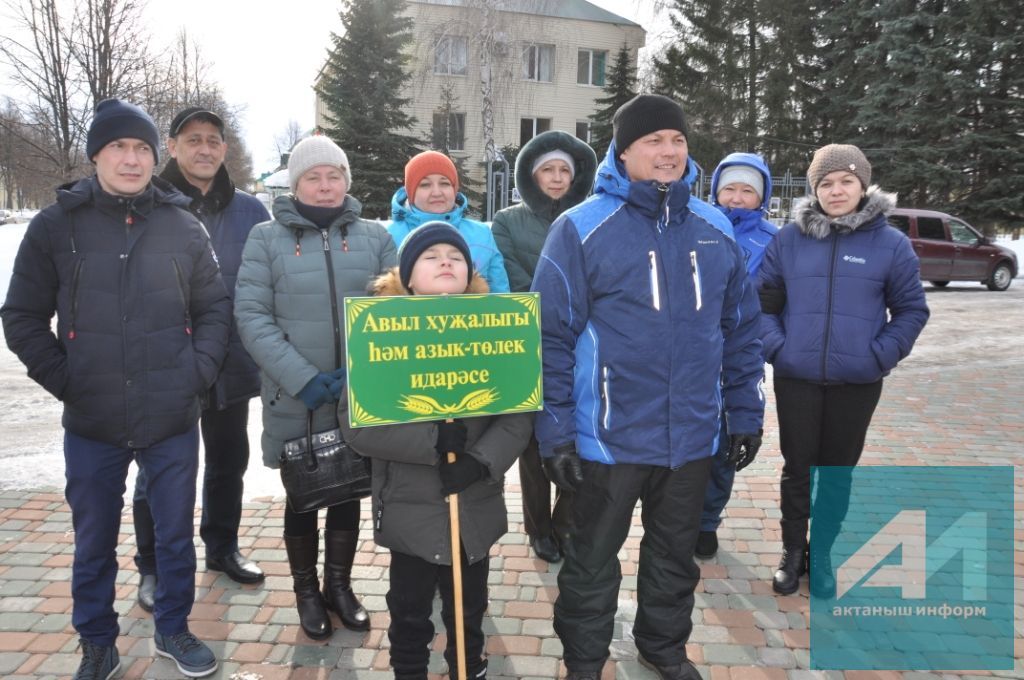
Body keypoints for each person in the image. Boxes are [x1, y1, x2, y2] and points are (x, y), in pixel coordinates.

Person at [531, 94, 765, 680]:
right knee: (589, 563)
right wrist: (555, 433)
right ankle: (584, 661)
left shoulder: (715, 229)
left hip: (690, 436)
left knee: (674, 560)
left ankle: (662, 648)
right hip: (606, 438)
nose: (668, 152)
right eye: (654, 141)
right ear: (625, 150)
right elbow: (549, 338)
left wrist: (743, 410)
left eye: (677, 141)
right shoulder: (581, 229)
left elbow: (740, 332)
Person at [1, 98, 230, 679]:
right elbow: (22, 316)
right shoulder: (57, 226)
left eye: (142, 149)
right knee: (93, 539)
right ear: (96, 154)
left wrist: (193, 375)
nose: (132, 159)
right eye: (119, 148)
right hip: (93, 421)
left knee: (176, 536)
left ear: (156, 157)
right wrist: (68, 380)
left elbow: (214, 311)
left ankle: (173, 630)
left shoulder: (182, 225)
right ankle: (97, 641)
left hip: (172, 417)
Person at [339, 221, 533, 680]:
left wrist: (480, 461)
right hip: (410, 509)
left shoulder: (497, 326)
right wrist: (431, 443)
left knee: (468, 612)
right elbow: (358, 424)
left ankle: (470, 668)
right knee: (409, 613)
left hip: (473, 506)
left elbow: (518, 415)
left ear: (470, 272)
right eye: (431, 256)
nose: (445, 261)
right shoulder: (376, 330)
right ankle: (409, 670)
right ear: (407, 276)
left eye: (456, 256)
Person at [234, 135, 396, 640]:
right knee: (302, 496)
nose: (324, 187)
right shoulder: (266, 238)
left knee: (349, 490)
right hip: (294, 399)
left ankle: (339, 587)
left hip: (356, 395)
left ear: (346, 180)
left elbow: (393, 306)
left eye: (334, 176)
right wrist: (303, 378)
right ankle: (306, 593)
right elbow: (251, 314)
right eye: (313, 177)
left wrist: (359, 374)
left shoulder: (375, 237)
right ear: (296, 183)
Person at [758, 143, 929, 596]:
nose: (836, 191)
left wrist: (879, 356)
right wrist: (780, 349)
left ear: (862, 185)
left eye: (846, 181)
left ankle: (823, 554)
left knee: (836, 472)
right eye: (826, 183)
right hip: (797, 379)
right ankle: (792, 553)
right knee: (798, 469)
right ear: (814, 189)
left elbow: (911, 310)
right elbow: (763, 304)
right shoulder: (789, 239)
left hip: (857, 382)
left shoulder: (890, 244)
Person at [131, 107, 271, 611]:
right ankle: (152, 568)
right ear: (172, 146)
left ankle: (222, 547)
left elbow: (268, 282)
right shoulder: (149, 203)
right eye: (194, 140)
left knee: (229, 460)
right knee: (160, 472)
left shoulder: (251, 212)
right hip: (167, 365)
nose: (205, 149)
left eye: (214, 140)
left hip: (231, 361)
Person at [491, 130, 597, 563]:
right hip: (528, 345)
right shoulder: (507, 222)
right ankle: (538, 528)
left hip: (581, 346)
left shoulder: (590, 219)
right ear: (531, 176)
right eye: (547, 170)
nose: (556, 179)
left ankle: (566, 520)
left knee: (581, 435)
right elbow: (512, 280)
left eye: (564, 171)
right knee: (534, 447)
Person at [695, 152, 780, 559]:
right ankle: (679, 516)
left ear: (761, 197)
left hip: (740, 351)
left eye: (748, 190)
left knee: (727, 439)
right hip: (695, 350)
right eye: (729, 188)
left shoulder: (774, 240)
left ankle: (708, 519)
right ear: (715, 192)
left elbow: (782, 295)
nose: (737, 198)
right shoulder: (698, 226)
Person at [387, 150, 510, 292]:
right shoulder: (387, 236)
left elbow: (501, 295)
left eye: (444, 183)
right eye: (425, 185)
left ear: (454, 189)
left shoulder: (482, 234)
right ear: (411, 192)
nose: (437, 192)